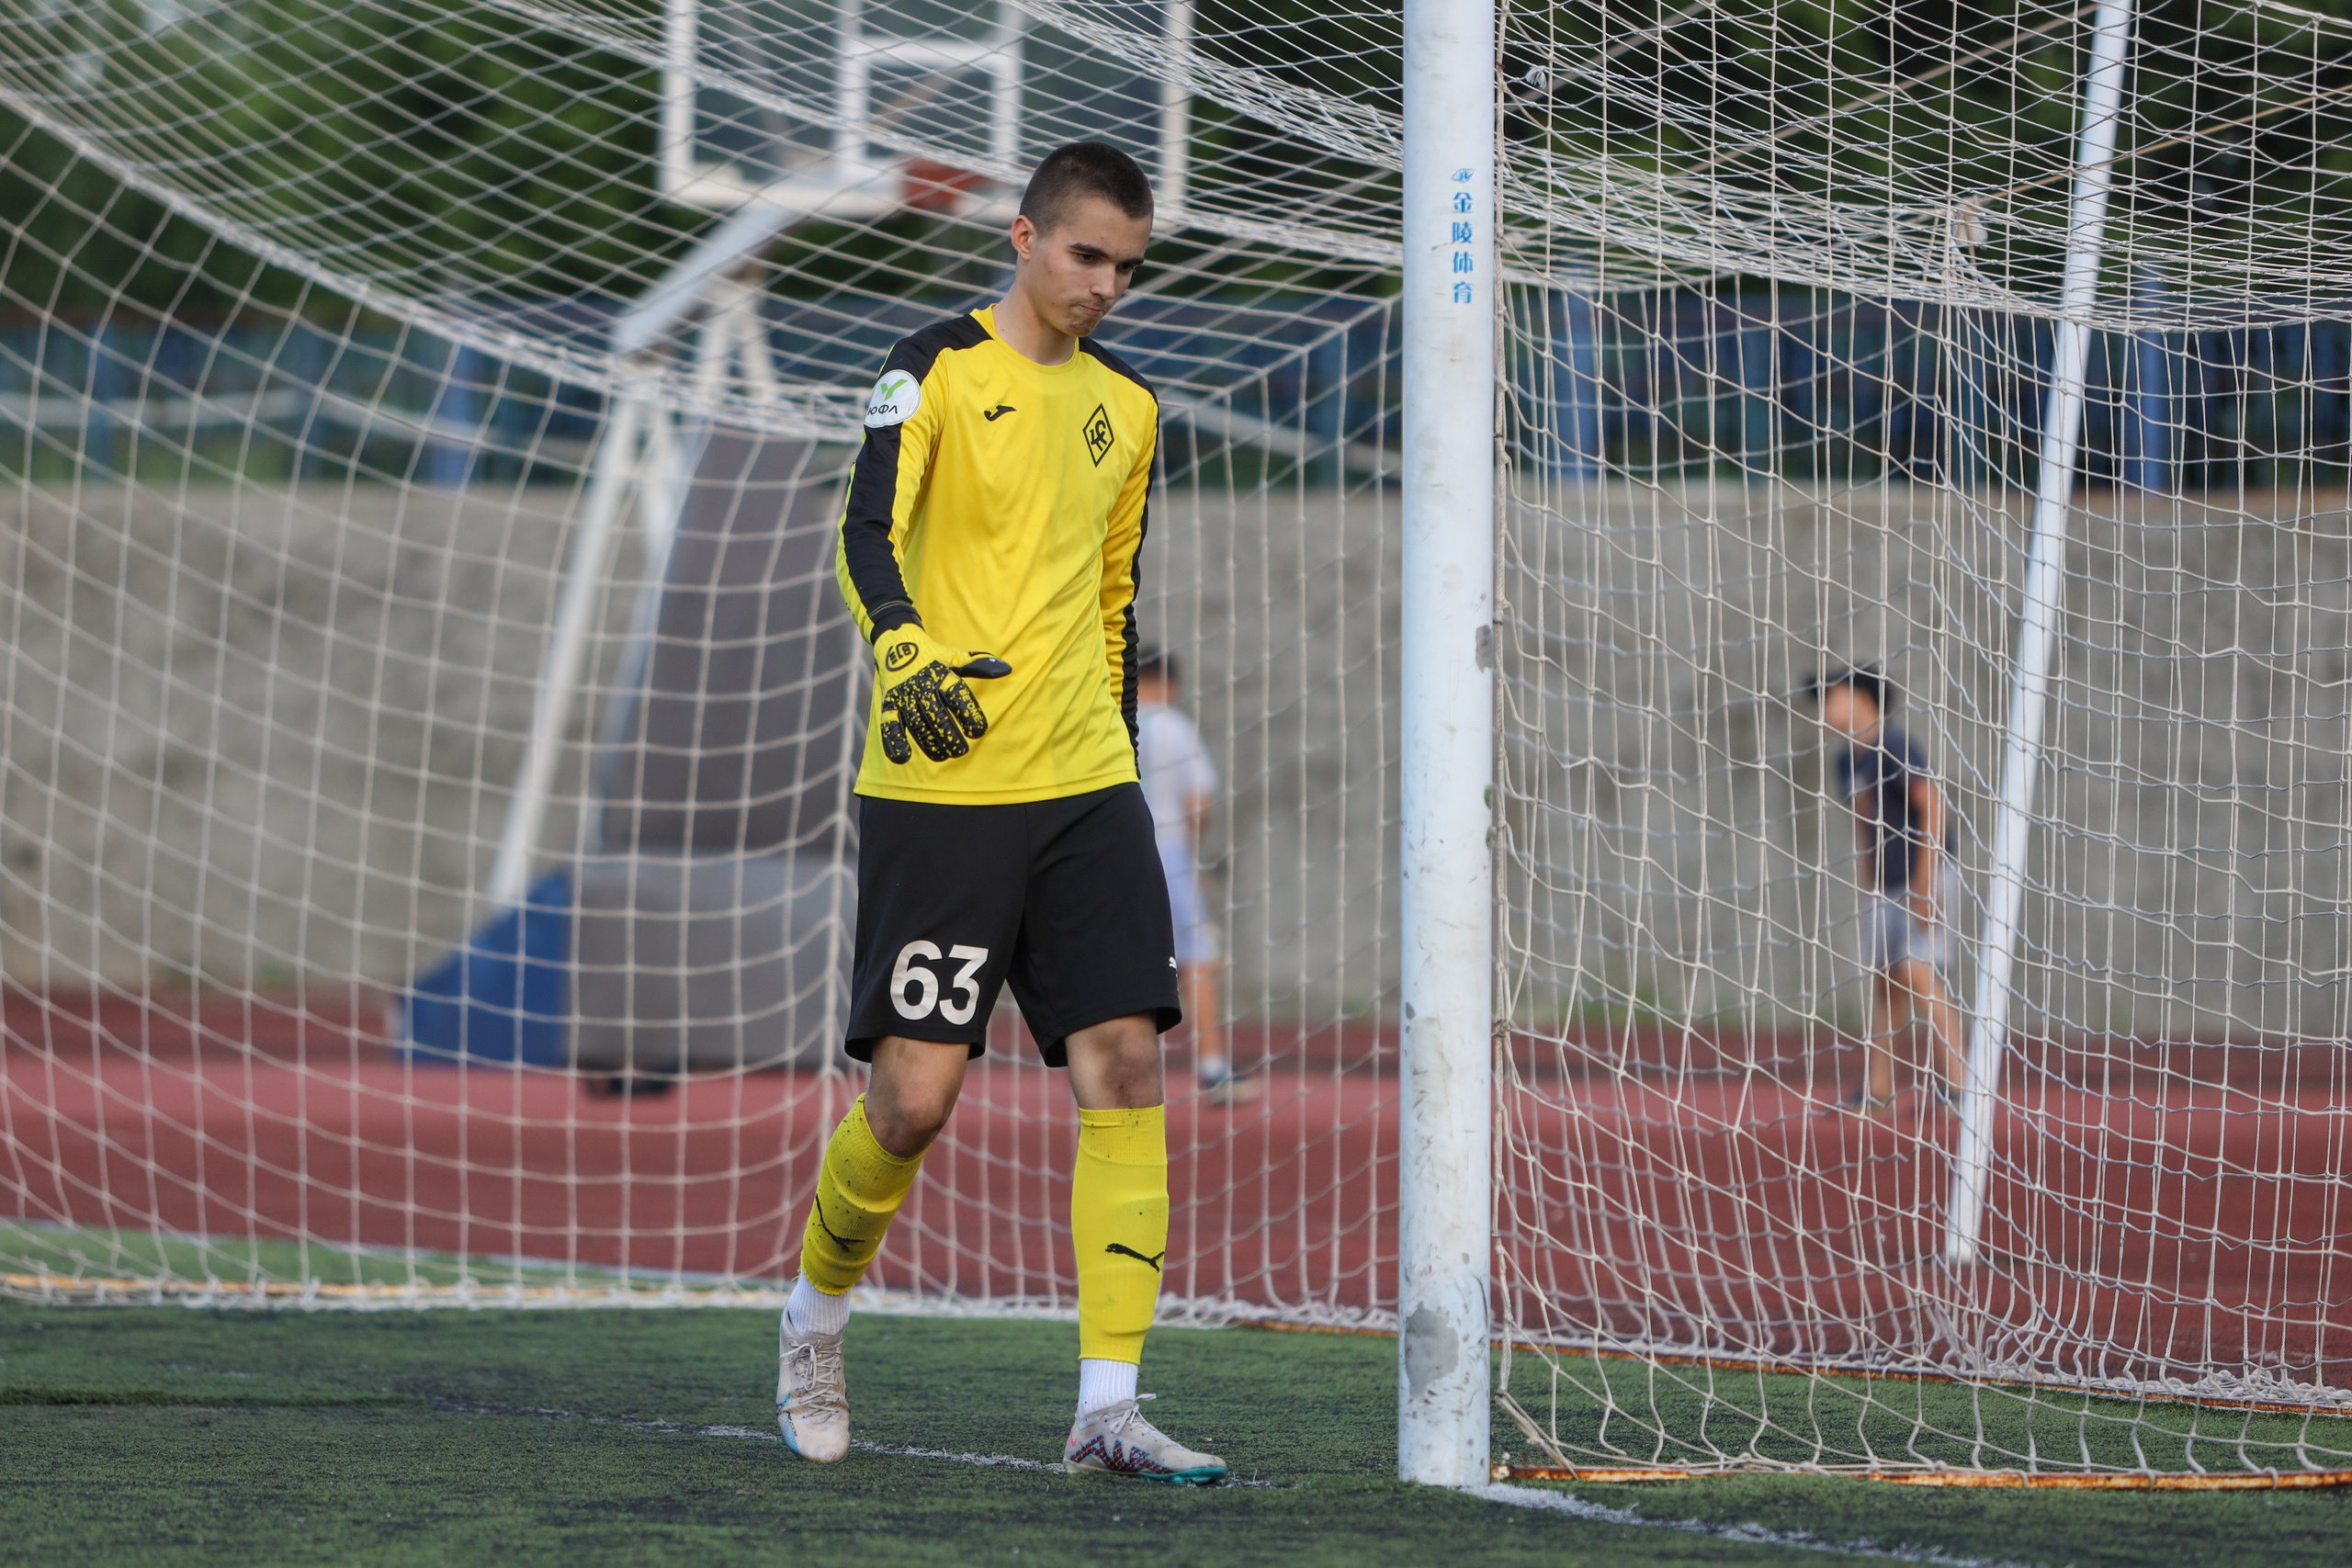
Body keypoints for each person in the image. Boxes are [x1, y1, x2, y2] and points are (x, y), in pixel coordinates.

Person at [775, 141, 1226, 1485]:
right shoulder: (930, 367)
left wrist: (1124, 768)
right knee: (913, 1101)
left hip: (1086, 780)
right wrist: (905, 648)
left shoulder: (1132, 407)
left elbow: (1109, 604)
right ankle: (812, 1318)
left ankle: (1107, 1403)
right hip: (939, 784)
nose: (1107, 285)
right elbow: (864, 533)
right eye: (1087, 254)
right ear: (1025, 236)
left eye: (1129, 267)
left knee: (1129, 1063)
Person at [1809, 665, 1964, 1117]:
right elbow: (1864, 823)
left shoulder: (1892, 746)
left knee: (1918, 972)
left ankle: (1958, 1084)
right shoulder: (1847, 759)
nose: (1825, 708)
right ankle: (1878, 1089)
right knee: (1884, 981)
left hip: (1923, 877)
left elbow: (1933, 808)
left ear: (1860, 698)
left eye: (1831, 696)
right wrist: (1868, 887)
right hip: (1885, 886)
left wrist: (1924, 886)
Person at [1134, 649, 1252, 1102]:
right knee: (1198, 958)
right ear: (1170, 683)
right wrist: (1190, 857)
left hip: (1115, 858)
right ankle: (1213, 1067)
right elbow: (1198, 803)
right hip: (1168, 852)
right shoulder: (1176, 727)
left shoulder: (1112, 722)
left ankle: (1110, 1067)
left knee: (1121, 962)